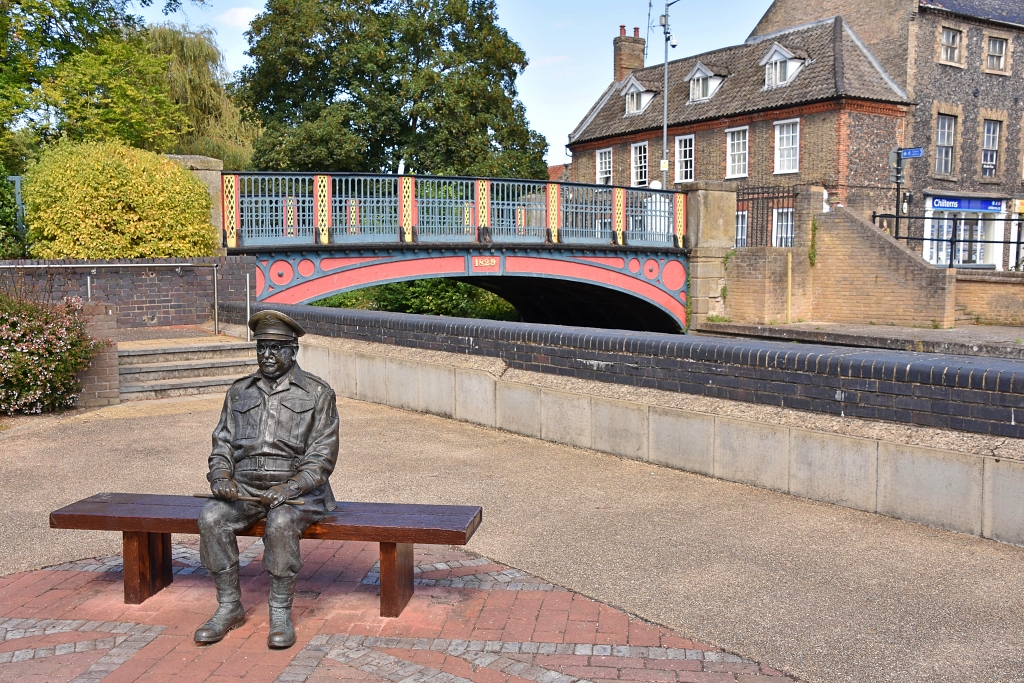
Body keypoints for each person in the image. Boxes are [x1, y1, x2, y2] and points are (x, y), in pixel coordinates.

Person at [194, 310, 339, 649]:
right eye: (261, 348)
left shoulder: (317, 393)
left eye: (276, 348)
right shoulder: (239, 391)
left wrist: (290, 487)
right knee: (210, 517)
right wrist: (221, 476)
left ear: (293, 350)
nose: (267, 356)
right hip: (244, 487)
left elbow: (322, 455)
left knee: (280, 523)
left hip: (300, 490)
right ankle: (229, 606)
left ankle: (279, 612)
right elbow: (223, 442)